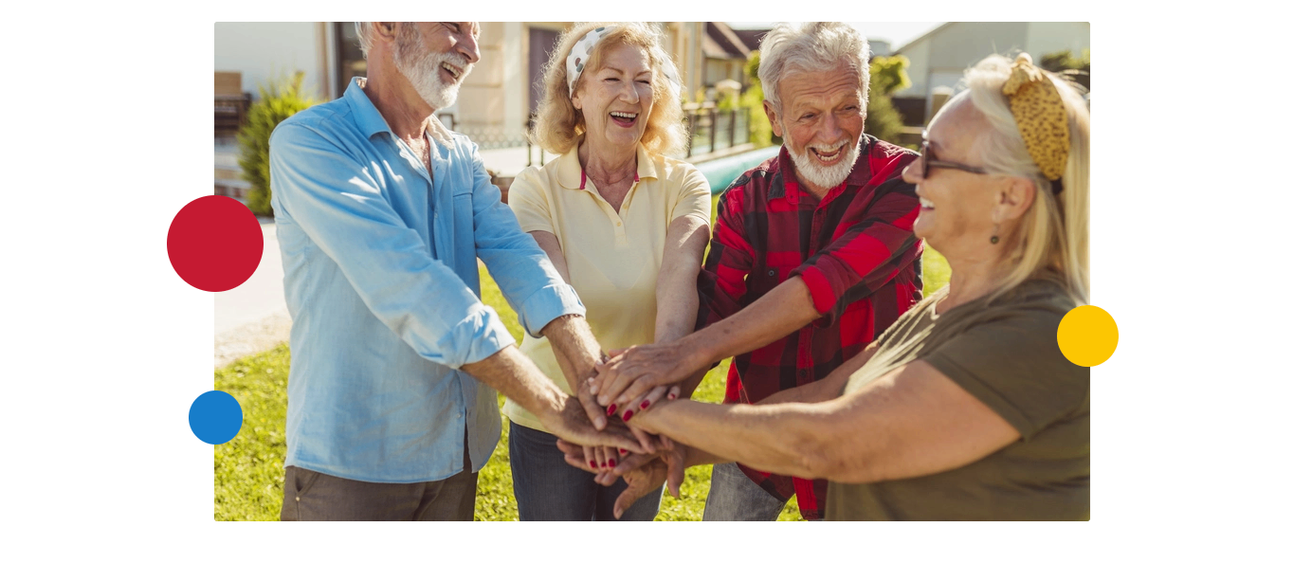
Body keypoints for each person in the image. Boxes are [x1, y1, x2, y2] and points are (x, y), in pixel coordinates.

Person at [573, 52, 1091, 520]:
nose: (916, 173)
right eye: (921, 151)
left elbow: (826, 441)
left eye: (936, 158)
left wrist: (649, 411)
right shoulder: (940, 308)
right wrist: (675, 446)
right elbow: (822, 396)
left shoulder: (1043, 332)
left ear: (1009, 198)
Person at [268, 21, 644, 521]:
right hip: (355, 463)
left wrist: (587, 367)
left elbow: (518, 254)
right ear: (386, 23)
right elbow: (412, 287)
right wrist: (554, 406)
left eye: (476, 32)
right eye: (454, 26)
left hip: (456, 458)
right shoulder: (313, 142)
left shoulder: (457, 154)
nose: (473, 50)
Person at [587, 22, 922, 520]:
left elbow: (825, 283)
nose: (832, 133)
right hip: (754, 427)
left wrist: (679, 356)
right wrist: (648, 415)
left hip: (865, 427)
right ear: (774, 117)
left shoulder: (907, 181)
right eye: (808, 115)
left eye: (847, 108)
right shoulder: (746, 197)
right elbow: (715, 306)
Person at [503, 22, 711, 521]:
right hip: (553, 415)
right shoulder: (534, 188)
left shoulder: (685, 184)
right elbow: (553, 293)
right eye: (612, 78)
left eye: (643, 81)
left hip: (644, 412)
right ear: (576, 94)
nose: (631, 95)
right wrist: (595, 406)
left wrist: (650, 395)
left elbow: (679, 280)